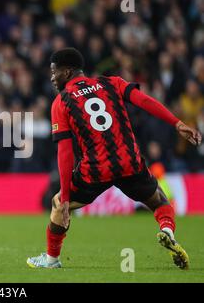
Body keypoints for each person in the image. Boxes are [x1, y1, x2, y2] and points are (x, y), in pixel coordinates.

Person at [27, 48, 202, 270]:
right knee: (159, 201)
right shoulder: (112, 83)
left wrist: (65, 200)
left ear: (68, 72)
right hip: (129, 162)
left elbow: (65, 152)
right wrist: (176, 123)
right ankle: (167, 230)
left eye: (54, 72)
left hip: (95, 170)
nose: (52, 78)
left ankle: (51, 259)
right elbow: (145, 102)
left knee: (57, 203)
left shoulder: (62, 101)